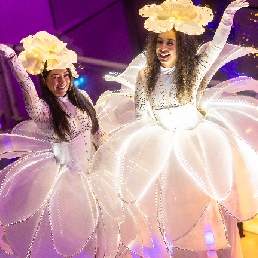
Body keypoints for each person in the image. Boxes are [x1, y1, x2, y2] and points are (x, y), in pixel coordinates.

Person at [92, 0, 258, 257]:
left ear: (181, 45)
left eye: (170, 42)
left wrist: (227, 17)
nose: (163, 47)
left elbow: (215, 46)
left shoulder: (193, 70)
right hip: (164, 155)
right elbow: (141, 118)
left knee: (207, 213)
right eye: (159, 42)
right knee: (170, 215)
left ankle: (211, 251)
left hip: (194, 149)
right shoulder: (145, 76)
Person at [0, 31, 122, 257]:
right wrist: (11, 59)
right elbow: (26, 85)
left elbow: (98, 134)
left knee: (103, 232)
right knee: (77, 235)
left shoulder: (82, 97)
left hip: (95, 174)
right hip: (67, 180)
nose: (61, 81)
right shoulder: (43, 111)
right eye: (54, 77)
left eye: (65, 75)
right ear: (45, 81)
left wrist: (112, 159)